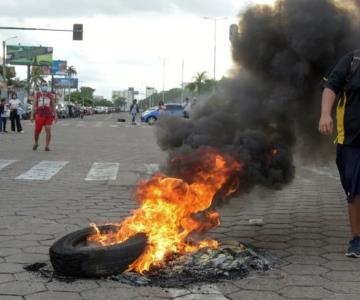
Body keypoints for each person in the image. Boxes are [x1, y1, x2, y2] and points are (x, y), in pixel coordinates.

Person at [319, 50, 360, 258]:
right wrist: (325, 114)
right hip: (350, 140)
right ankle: (357, 240)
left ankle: (356, 238)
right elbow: (330, 87)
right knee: (352, 187)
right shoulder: (352, 60)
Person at [31, 82, 57, 151]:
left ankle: (47, 146)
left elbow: (53, 105)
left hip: (48, 115)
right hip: (39, 115)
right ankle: (36, 143)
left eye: (46, 85)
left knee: (48, 129)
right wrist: (31, 115)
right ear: (41, 86)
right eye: (43, 85)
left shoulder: (50, 95)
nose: (44, 86)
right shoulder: (37, 94)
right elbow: (33, 105)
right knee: (37, 131)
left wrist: (56, 115)